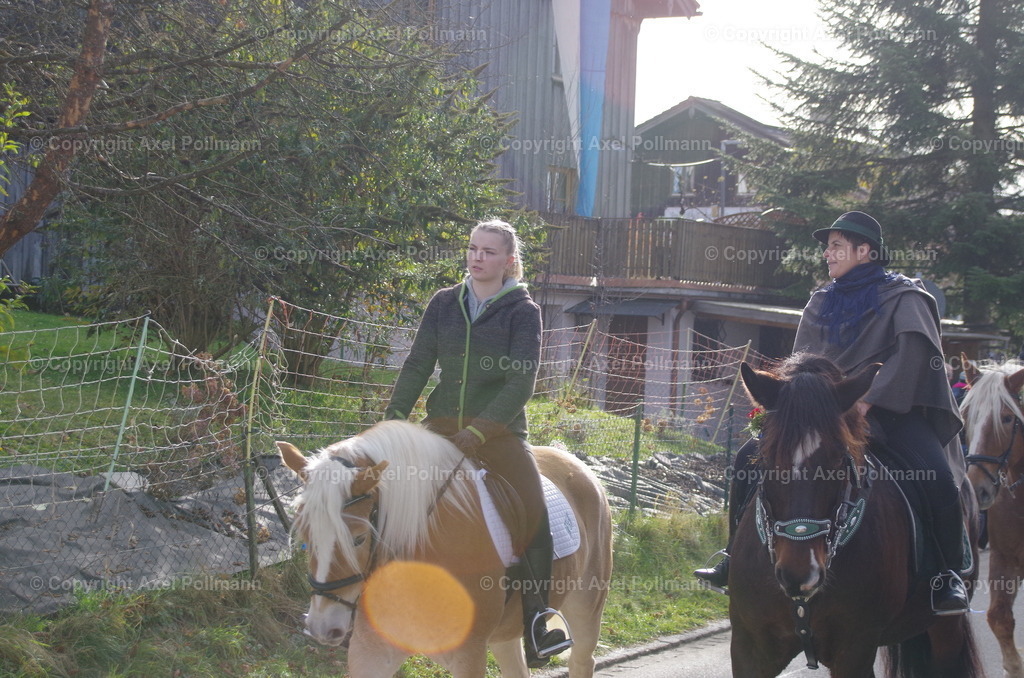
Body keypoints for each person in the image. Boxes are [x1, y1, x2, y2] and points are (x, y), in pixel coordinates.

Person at [695, 211, 970, 615]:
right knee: (744, 461)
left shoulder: (907, 297)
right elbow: (803, 360)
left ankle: (948, 575)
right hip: (823, 415)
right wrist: (800, 403)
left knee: (938, 476)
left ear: (866, 251)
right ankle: (734, 559)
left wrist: (866, 399)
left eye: (837, 246)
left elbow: (913, 355)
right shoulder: (821, 299)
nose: (828, 254)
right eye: (828, 246)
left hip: (890, 413)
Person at [383, 219, 572, 666]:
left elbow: (521, 382)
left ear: (509, 260)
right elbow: (417, 365)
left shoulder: (523, 312)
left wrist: (480, 431)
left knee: (533, 511)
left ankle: (538, 619)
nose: (477, 257)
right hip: (443, 428)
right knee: (386, 497)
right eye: (472, 248)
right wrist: (392, 422)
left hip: (501, 435)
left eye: (488, 251)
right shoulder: (444, 303)